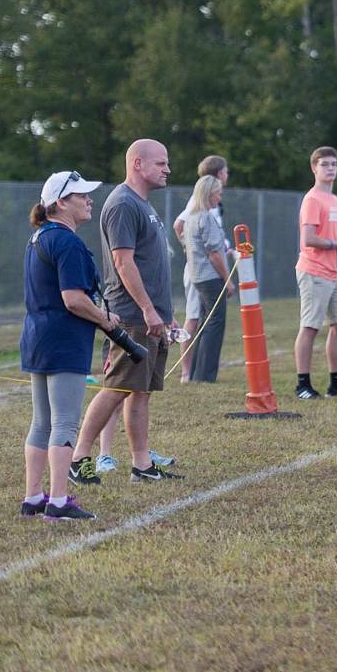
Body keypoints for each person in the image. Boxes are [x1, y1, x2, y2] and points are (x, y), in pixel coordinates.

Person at [68, 139, 182, 486]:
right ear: (137, 164)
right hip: (131, 314)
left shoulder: (143, 204)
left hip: (150, 314)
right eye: (160, 163)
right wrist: (148, 310)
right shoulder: (122, 203)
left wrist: (165, 312)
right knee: (117, 387)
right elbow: (123, 261)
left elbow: (151, 263)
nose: (167, 169)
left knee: (140, 390)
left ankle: (141, 463)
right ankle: (79, 457)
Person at [21, 171, 115, 520]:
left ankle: (33, 497)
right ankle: (58, 502)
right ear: (61, 203)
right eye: (81, 196)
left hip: (38, 337)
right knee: (64, 423)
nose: (89, 200)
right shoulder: (68, 242)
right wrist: (106, 320)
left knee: (42, 422)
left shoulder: (39, 238)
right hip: (64, 340)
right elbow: (74, 299)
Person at [292, 147, 337, 400]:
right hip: (314, 270)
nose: (330, 168)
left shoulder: (333, 199)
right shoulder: (313, 199)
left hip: (331, 272)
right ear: (314, 168)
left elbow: (332, 236)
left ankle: (336, 383)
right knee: (310, 327)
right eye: (325, 164)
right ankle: (302, 384)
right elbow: (309, 238)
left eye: (334, 164)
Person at [172, 155, 229, 383]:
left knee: (199, 317)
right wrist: (190, 249)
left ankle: (194, 370)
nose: (227, 176)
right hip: (201, 270)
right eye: (225, 171)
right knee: (194, 316)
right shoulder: (200, 204)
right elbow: (179, 225)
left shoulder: (210, 205)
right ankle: (188, 372)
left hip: (202, 268)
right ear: (217, 174)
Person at [181, 174, 236, 383]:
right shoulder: (206, 217)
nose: (219, 198)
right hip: (210, 278)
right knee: (215, 324)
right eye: (217, 193)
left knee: (204, 323)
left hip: (198, 277)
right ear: (209, 194)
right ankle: (206, 375)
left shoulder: (191, 218)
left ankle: (196, 372)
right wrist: (228, 280)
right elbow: (214, 253)